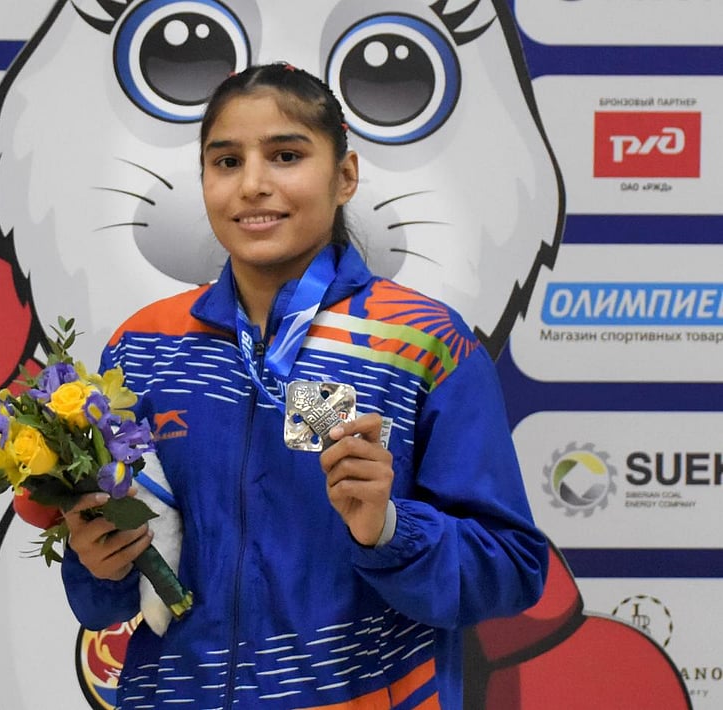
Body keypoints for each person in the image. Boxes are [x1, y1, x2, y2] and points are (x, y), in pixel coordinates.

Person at [60, 62, 548, 710]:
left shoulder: (424, 342)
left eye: (286, 155)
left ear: (344, 175)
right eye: (226, 161)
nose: (253, 185)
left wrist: (390, 528)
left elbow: (510, 569)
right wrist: (98, 563)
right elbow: (109, 596)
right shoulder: (145, 348)